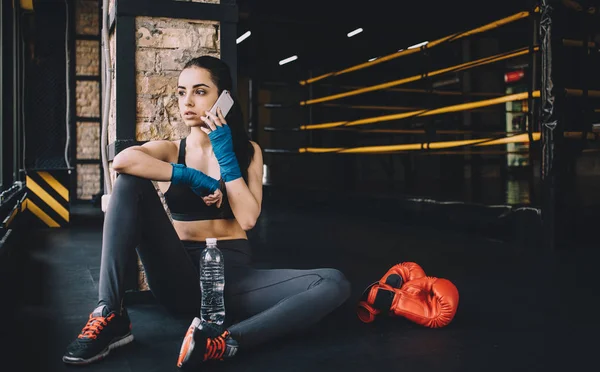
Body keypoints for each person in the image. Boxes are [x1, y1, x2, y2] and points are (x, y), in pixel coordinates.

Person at [61, 55, 351, 367]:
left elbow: (249, 218)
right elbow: (121, 162)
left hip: (233, 281)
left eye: (200, 91)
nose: (187, 101)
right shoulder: (172, 150)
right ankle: (110, 313)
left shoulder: (248, 151)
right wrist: (189, 175)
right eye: (181, 92)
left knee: (333, 283)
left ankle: (225, 342)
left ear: (224, 98)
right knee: (130, 182)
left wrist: (225, 153)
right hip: (178, 276)